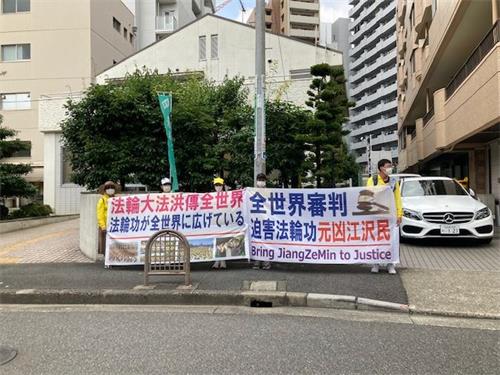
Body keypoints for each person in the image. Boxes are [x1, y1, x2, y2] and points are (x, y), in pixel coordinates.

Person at [366, 159, 402, 274]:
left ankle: (390, 264)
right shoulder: (373, 180)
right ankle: (375, 263)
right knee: (376, 239)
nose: (390, 168)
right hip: (376, 215)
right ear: (381, 168)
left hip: (390, 215)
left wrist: (399, 214)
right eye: (388, 166)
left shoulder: (393, 181)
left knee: (391, 240)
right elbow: (368, 195)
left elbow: (397, 199)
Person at [253, 173, 271, 270]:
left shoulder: (268, 191)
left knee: (266, 241)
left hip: (266, 220)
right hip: (256, 220)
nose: (261, 181)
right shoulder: (252, 191)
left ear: (265, 181)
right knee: (257, 242)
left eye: (262, 179)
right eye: (259, 179)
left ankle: (266, 263)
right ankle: (257, 263)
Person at [97, 181, 118, 255]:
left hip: (114, 225)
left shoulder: (116, 200)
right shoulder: (102, 200)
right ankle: (107, 262)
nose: (110, 189)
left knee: (113, 245)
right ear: (105, 189)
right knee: (105, 245)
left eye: (112, 188)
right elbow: (100, 214)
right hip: (106, 226)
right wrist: (103, 226)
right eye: (108, 188)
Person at [212, 177, 227, 269]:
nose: (218, 187)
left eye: (220, 185)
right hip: (214, 222)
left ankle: (223, 261)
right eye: (216, 185)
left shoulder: (227, 195)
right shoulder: (211, 196)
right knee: (216, 241)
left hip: (223, 221)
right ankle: (217, 261)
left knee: (223, 241)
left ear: (223, 186)